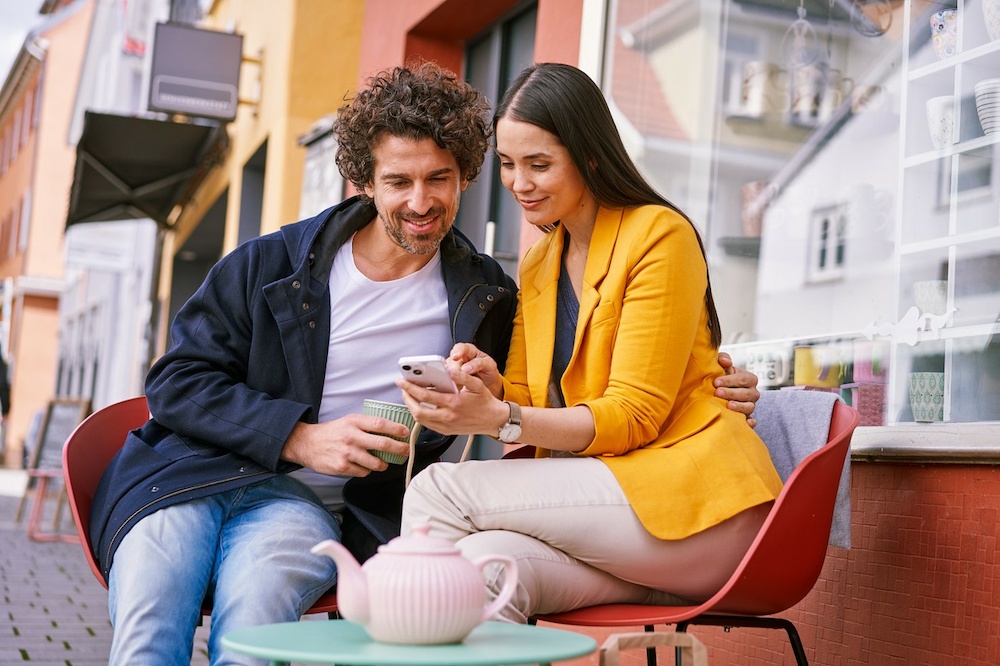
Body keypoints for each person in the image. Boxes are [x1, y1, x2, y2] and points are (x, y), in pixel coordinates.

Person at [88, 62, 761, 665]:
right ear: (363, 182)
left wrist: (702, 380)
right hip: (188, 476)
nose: (420, 200)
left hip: (307, 508)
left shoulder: (486, 293)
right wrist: (302, 436)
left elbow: (575, 400)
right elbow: (174, 382)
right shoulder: (275, 265)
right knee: (152, 625)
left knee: (260, 622)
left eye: (440, 178)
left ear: (464, 175)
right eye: (398, 181)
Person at [398, 62, 784, 623]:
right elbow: (530, 404)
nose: (519, 184)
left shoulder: (659, 236)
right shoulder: (538, 265)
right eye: (507, 165)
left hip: (695, 512)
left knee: (439, 490)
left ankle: (400, 638)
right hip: (617, 532)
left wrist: (499, 416)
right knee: (486, 569)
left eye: (539, 164)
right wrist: (490, 387)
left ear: (591, 155)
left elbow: (633, 416)